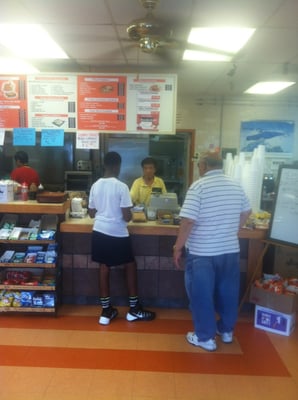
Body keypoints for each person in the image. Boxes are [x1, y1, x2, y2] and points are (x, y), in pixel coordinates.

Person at [173, 151, 251, 352]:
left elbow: (188, 220)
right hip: (230, 251)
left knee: (201, 296)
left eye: (199, 165)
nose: (199, 168)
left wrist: (178, 246)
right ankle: (226, 332)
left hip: (203, 253)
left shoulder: (199, 186)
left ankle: (205, 337)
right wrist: (233, 229)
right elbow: (247, 211)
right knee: (228, 293)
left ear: (204, 165)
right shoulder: (235, 185)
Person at [88, 151, 156, 325]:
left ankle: (106, 311)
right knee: (130, 265)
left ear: (104, 165)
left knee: (104, 267)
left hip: (99, 231)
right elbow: (127, 217)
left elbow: (91, 213)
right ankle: (133, 309)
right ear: (118, 166)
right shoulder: (121, 186)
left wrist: (103, 209)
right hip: (117, 233)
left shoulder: (95, 185)